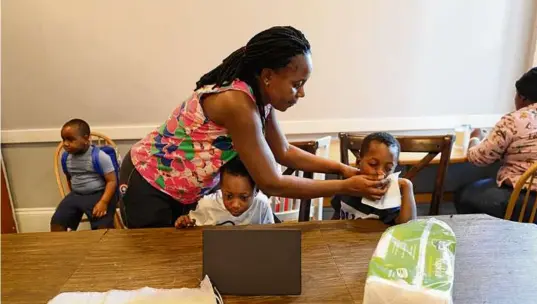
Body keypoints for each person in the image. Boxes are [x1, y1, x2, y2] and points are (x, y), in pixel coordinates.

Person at [119, 26, 389, 228]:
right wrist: (345, 186)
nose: (302, 93)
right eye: (297, 83)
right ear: (268, 76)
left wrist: (340, 169)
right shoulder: (237, 103)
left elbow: (283, 152)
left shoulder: (259, 98)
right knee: (154, 270)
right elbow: (272, 183)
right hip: (149, 183)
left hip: (179, 189)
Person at [455, 66, 537, 220]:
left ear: (522, 97)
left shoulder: (514, 120)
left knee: (466, 193)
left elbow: (479, 159)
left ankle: (496, 240)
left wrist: (475, 138)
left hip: (525, 202)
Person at [331, 132, 416, 224]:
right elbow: (337, 215)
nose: (381, 174)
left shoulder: (389, 198)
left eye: (388, 169)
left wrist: (407, 185)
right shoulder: (347, 186)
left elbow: (406, 226)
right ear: (359, 161)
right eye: (373, 164)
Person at [51, 119, 117, 231]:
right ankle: (62, 246)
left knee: (102, 228)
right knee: (57, 222)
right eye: (63, 139)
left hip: (98, 195)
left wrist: (104, 202)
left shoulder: (100, 157)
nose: (66, 144)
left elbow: (112, 181)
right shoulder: (66, 157)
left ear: (86, 138)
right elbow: (69, 177)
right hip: (76, 194)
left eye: (71, 140)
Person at [175, 157, 274, 227]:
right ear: (220, 188)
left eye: (243, 197)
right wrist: (183, 223)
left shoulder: (262, 205)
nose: (235, 205)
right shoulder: (206, 205)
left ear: (256, 190)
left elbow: (271, 235)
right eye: (229, 196)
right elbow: (190, 226)